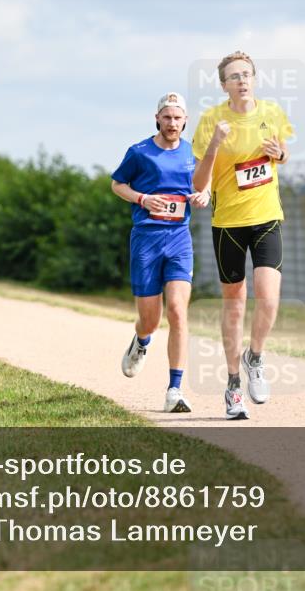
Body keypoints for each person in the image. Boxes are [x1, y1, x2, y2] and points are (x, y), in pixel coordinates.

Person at [192, 51, 294, 419]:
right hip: (228, 223)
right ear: (224, 85)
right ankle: (234, 385)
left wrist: (279, 154)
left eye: (246, 74)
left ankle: (256, 357)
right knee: (234, 305)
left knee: (268, 298)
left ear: (254, 78)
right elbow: (198, 182)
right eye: (234, 76)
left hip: (266, 217)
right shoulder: (211, 120)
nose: (242, 81)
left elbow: (283, 154)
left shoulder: (272, 113)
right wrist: (215, 143)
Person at [111, 92, 210, 414]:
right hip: (146, 239)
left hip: (179, 238)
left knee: (178, 311)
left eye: (177, 118)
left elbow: (204, 184)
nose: (172, 123)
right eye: (166, 117)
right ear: (157, 119)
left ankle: (174, 390)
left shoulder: (193, 153)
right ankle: (141, 341)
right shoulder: (139, 152)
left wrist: (204, 195)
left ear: (185, 121)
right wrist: (142, 198)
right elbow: (117, 184)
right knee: (150, 321)